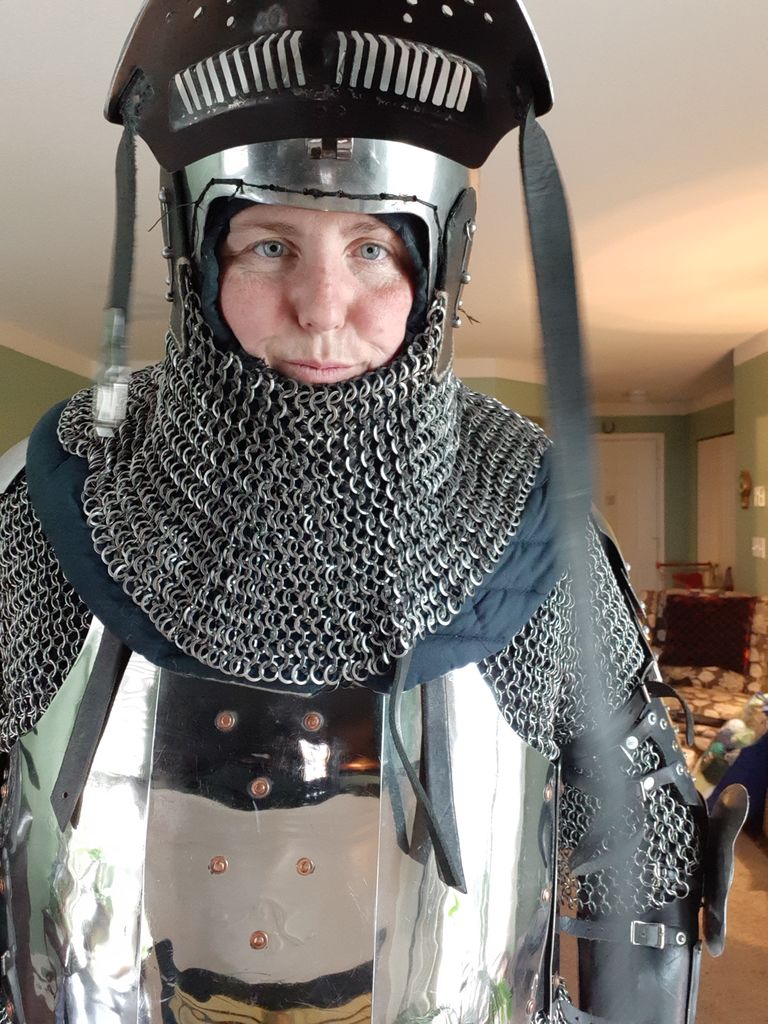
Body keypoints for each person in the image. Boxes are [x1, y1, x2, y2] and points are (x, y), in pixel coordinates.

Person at [0, 3, 745, 1022]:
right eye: (269, 246)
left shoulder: (522, 509)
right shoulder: (72, 487)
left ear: (437, 266)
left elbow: (643, 840)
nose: (321, 307)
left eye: (371, 250)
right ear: (197, 253)